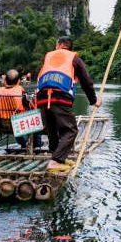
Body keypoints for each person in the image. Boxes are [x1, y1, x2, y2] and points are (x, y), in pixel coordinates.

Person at [34, 36, 98, 171]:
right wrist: (94, 101)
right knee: (70, 130)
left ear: (59, 45)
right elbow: (86, 81)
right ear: (69, 47)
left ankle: (57, 156)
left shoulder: (48, 56)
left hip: (42, 98)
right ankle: (56, 161)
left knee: (52, 130)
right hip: (61, 97)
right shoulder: (74, 58)